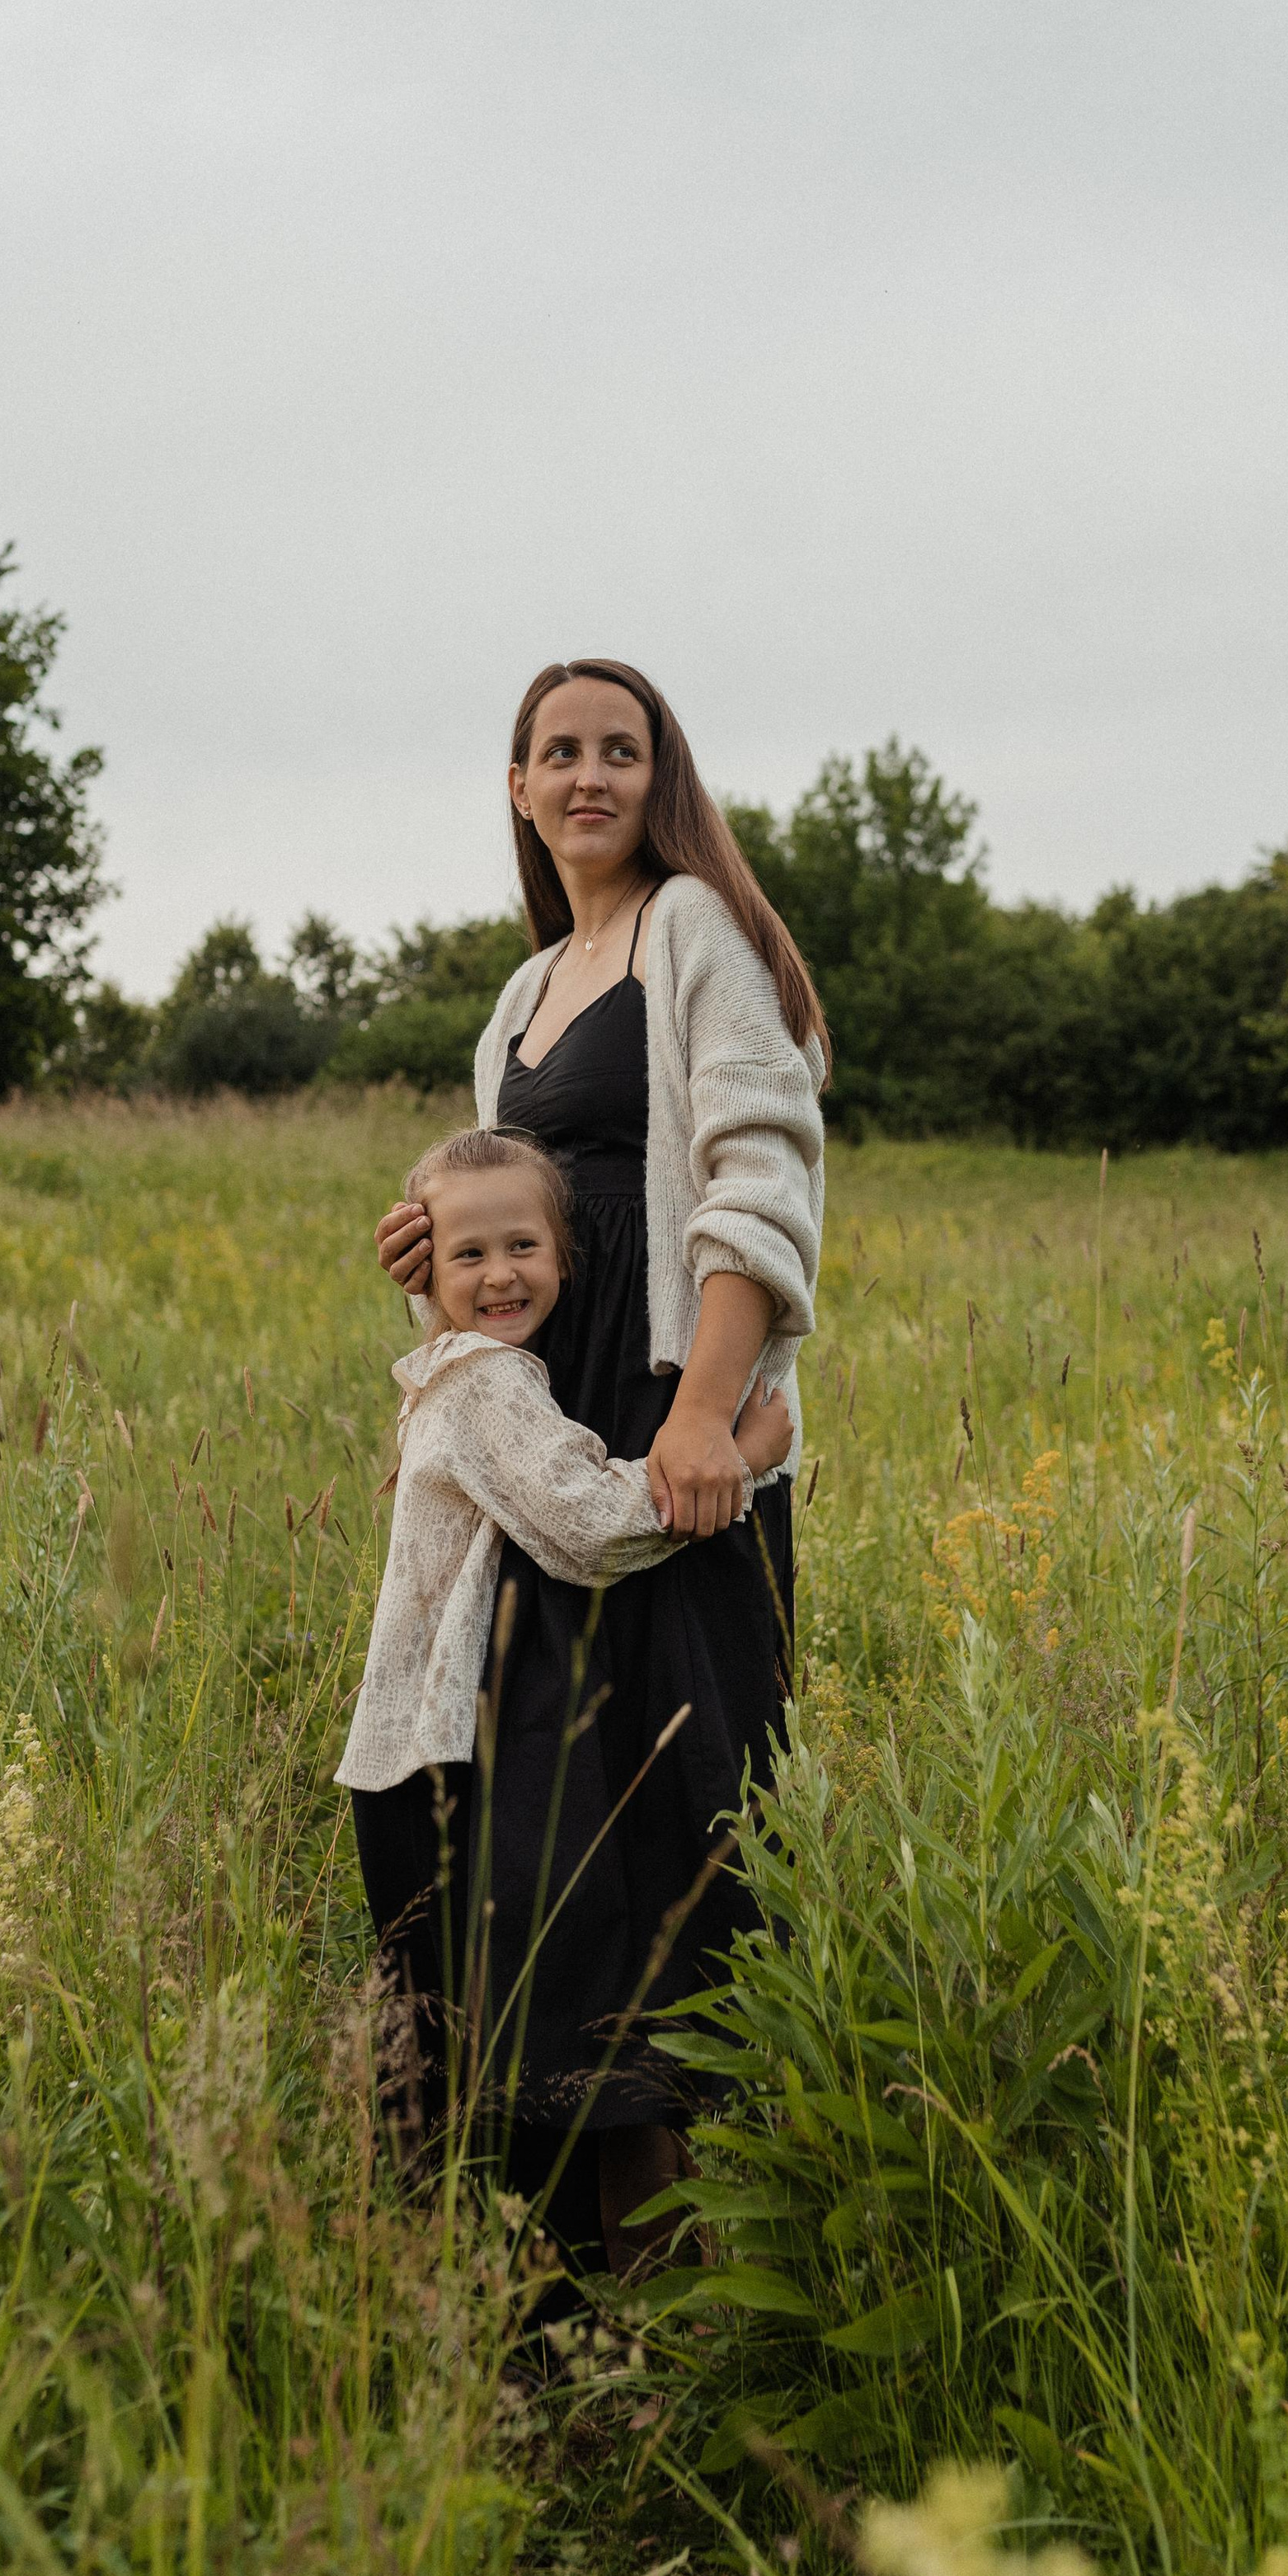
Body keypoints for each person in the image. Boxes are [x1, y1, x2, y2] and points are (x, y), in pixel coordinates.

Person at [367, 659, 828, 2274]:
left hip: (659, 1436)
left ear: (658, 776)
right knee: (546, 1831)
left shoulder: (694, 934)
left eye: (617, 751)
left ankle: (713, 2269)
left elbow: (756, 1178)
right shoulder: (522, 992)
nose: (588, 776)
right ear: (515, 785)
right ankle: (568, 2263)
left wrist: (708, 1416)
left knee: (675, 1837)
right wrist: (441, 1261)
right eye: (557, 751)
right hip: (550, 1464)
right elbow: (520, 1226)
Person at [339, 1128, 792, 2209]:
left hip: (418, 1750)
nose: (501, 1276)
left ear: (565, 1253)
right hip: (436, 1759)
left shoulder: (468, 1371)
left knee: (467, 2020)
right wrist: (748, 1454)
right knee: (517, 2014)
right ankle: (547, 2278)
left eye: (524, 1247)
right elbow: (587, 1525)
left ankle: (496, 2272)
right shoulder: (486, 1386)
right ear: (423, 1266)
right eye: (467, 1256)